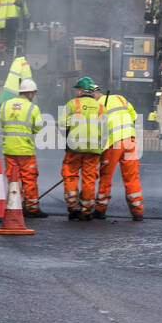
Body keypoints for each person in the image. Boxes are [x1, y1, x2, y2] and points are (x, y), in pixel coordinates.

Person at [59, 76, 104, 220]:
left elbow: (61, 124)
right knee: (89, 178)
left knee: (70, 175)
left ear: (80, 90)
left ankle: (73, 207)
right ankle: (86, 210)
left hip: (74, 147)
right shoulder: (101, 107)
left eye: (77, 89)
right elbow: (106, 129)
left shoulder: (72, 104)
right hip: (93, 149)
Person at [95, 89, 144, 220]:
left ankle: (100, 210)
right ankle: (138, 212)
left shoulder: (97, 105)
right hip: (130, 140)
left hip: (114, 143)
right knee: (132, 176)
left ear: (94, 96)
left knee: (106, 176)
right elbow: (134, 116)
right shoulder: (120, 98)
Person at [1, 78, 47, 217]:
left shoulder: (5, 105)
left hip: (9, 149)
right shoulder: (33, 108)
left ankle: (16, 206)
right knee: (29, 179)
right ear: (31, 93)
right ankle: (32, 208)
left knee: (13, 179)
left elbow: (3, 124)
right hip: (25, 150)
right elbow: (38, 127)